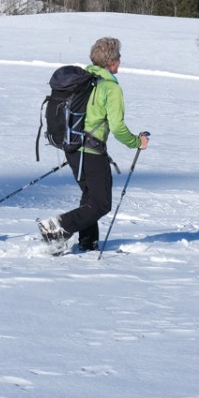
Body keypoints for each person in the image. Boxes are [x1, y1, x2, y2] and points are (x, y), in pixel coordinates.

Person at [37, 36, 150, 251]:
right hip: (91, 152)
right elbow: (117, 128)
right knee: (100, 203)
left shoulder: (84, 79)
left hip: (72, 149)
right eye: (118, 56)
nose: (120, 60)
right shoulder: (110, 88)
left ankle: (88, 242)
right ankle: (55, 228)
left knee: (90, 198)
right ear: (113, 61)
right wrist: (137, 142)